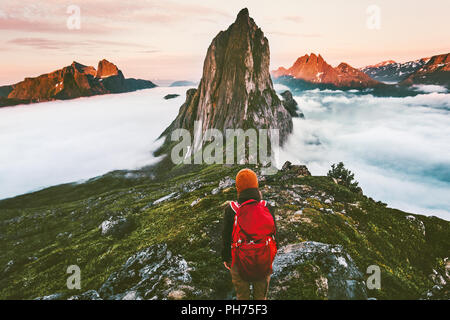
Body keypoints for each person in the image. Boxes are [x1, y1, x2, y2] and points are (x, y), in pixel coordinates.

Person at [221, 168, 277, 300]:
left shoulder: (232, 209)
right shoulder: (266, 206)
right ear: (256, 185)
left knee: (242, 295)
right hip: (263, 257)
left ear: (238, 187)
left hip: (238, 259)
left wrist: (226, 258)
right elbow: (274, 234)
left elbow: (226, 236)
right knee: (261, 296)